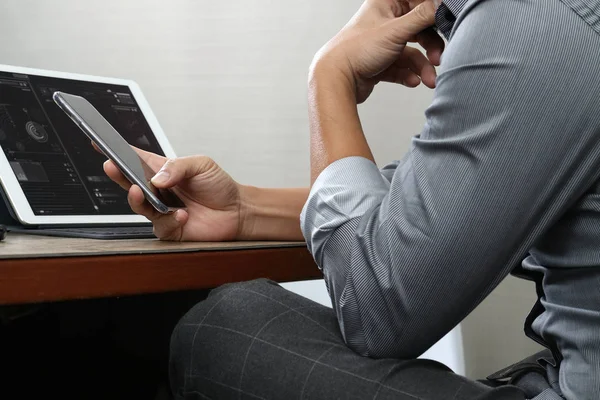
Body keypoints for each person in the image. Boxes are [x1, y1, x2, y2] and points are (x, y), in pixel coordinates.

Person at [105, 0, 600, 398]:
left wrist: (330, 73)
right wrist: (244, 210)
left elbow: (377, 310)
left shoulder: (533, 18)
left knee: (226, 327)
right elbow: (436, 205)